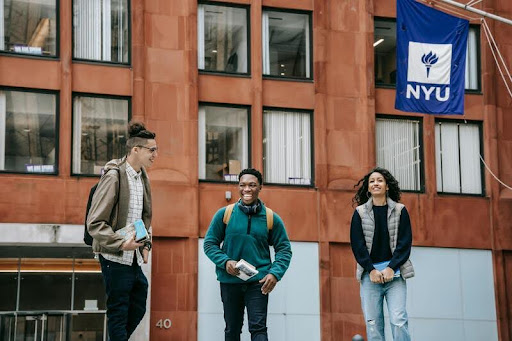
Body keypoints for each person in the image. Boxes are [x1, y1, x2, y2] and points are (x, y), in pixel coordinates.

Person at [87, 121, 157, 341]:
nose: (156, 154)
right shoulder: (114, 176)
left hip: (132, 256)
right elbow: (95, 222)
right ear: (136, 149)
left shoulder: (142, 177)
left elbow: (142, 219)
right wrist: (120, 243)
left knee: (138, 305)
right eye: (151, 150)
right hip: (113, 255)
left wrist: (146, 244)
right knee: (118, 312)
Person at [204, 168, 292, 341]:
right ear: (238, 187)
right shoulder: (225, 214)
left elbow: (284, 249)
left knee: (258, 329)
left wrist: (275, 273)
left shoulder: (270, 217)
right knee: (232, 330)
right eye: (242, 185)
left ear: (260, 187)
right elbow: (209, 244)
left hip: (258, 283)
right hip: (229, 282)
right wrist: (225, 261)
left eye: (252, 185)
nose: (247, 189)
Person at [350, 167, 414, 341]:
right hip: (370, 277)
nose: (375, 183)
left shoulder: (400, 210)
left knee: (399, 320)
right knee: (373, 324)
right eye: (372, 181)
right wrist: (371, 270)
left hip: (395, 276)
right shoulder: (360, 213)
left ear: (387, 186)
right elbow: (358, 246)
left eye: (379, 180)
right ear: (368, 188)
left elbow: (404, 243)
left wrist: (391, 268)